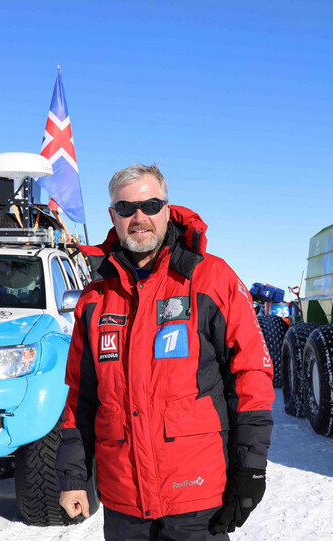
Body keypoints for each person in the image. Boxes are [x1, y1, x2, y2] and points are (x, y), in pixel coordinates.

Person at [56, 164, 275, 540]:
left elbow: (251, 374)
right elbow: (81, 396)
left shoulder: (211, 278)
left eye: (150, 204)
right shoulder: (95, 298)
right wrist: (73, 476)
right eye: (126, 209)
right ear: (113, 215)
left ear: (167, 209)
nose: (138, 217)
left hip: (196, 495)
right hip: (124, 501)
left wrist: (249, 468)